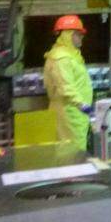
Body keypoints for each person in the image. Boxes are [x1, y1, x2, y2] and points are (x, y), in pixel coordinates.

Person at [43, 14, 93, 147]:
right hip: (69, 113)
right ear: (67, 35)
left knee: (75, 148)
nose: (82, 37)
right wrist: (82, 105)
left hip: (75, 113)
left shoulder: (71, 55)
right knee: (72, 150)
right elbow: (65, 87)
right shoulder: (61, 58)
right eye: (78, 34)